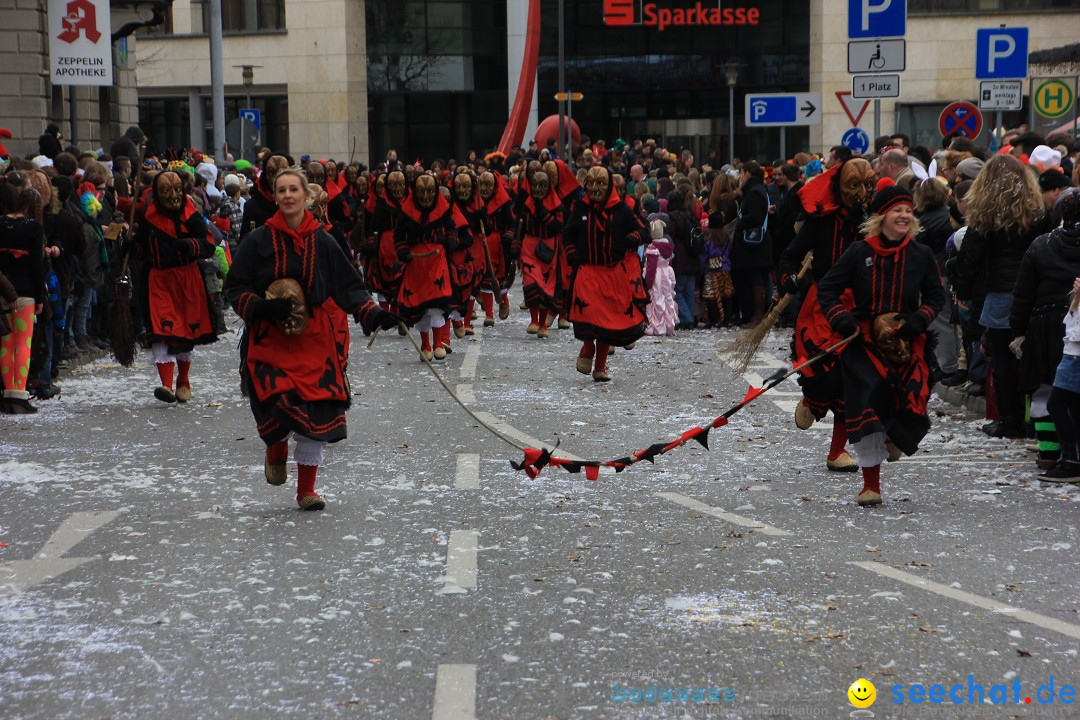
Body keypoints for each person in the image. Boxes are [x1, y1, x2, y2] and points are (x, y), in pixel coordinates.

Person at [225, 168, 401, 511]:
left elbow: (349, 286)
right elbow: (235, 286)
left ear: (306, 197)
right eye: (281, 190)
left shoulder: (324, 241)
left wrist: (374, 313)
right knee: (278, 405)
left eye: (294, 190)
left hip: (314, 339)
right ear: (274, 196)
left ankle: (307, 490)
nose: (288, 195)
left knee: (315, 414)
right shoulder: (258, 240)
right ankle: (275, 444)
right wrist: (260, 306)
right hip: (270, 340)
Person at [817, 186, 946, 506]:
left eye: (908, 210)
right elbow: (828, 289)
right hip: (863, 342)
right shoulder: (859, 252)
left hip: (906, 340)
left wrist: (919, 319)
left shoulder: (921, 254)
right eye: (896, 210)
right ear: (882, 216)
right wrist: (843, 320)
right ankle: (870, 484)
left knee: (913, 396)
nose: (904, 215)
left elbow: (935, 297)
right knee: (868, 405)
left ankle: (897, 437)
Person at [779, 158, 875, 472]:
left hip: (858, 308)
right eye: (854, 185)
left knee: (853, 381)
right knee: (822, 373)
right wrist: (788, 278)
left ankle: (837, 450)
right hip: (821, 305)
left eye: (866, 185)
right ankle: (814, 401)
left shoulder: (874, 221)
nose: (861, 192)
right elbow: (790, 254)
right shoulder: (822, 221)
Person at [955, 154, 1050, 438]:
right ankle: (1034, 419)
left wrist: (964, 290)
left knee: (1001, 359)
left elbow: (971, 257)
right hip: (1033, 292)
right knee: (1030, 359)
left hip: (999, 293)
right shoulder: (1037, 210)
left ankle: (1009, 419)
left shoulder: (985, 213)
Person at [133, 171, 220, 404]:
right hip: (159, 279)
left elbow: (210, 242)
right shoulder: (149, 218)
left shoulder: (192, 216)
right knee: (163, 328)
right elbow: (143, 247)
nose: (173, 196)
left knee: (186, 328)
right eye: (166, 191)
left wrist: (190, 245)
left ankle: (183, 381)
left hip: (187, 280)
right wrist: (132, 247)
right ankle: (165, 384)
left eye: (177, 190)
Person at [1011, 188, 1080, 473]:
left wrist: (1018, 332)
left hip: (1044, 324)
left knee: (1044, 392)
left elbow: (1023, 293)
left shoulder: (1041, 244)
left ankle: (1050, 454)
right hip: (1070, 321)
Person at [563, 166, 650, 382]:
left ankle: (600, 367)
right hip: (587, 271)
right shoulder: (581, 209)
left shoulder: (621, 210)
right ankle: (586, 349)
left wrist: (631, 239)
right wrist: (572, 254)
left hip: (612, 273)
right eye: (591, 183)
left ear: (608, 185)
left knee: (606, 322)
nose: (595, 188)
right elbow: (568, 234)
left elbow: (642, 230)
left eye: (600, 183)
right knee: (588, 315)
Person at [0, 186, 45, 414]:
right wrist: (40, 297)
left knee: (6, 343)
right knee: (23, 343)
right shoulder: (34, 227)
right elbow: (37, 266)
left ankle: (7, 393)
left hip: (2, 290)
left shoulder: (0, 222)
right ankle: (19, 394)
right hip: (25, 291)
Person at [732, 162, 773, 328]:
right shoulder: (758, 189)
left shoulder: (754, 191)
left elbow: (755, 216)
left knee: (756, 278)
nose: (740, 176)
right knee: (758, 277)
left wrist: (741, 222)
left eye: (742, 172)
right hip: (758, 244)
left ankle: (758, 316)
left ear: (747, 173)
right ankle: (757, 314)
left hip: (754, 245)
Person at [643, 213, 677, 336]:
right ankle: (668, 324)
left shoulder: (653, 248)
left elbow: (651, 268)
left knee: (656, 300)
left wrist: (647, 282)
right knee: (667, 299)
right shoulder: (668, 246)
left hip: (657, 275)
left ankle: (657, 326)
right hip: (667, 274)